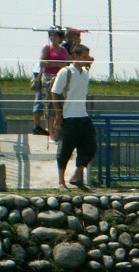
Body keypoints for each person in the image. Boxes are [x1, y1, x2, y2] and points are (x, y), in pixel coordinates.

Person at [52, 45, 97, 190]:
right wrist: (59, 114)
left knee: (91, 146)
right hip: (69, 116)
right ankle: (61, 181)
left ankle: (76, 175)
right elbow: (55, 92)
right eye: (84, 57)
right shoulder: (66, 72)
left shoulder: (85, 73)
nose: (86, 59)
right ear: (75, 56)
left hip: (83, 115)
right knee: (65, 149)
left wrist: (89, 61)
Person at [31, 28, 69, 137]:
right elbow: (42, 62)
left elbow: (69, 61)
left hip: (61, 78)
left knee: (60, 104)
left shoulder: (63, 49)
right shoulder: (47, 48)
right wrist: (58, 64)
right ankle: (51, 133)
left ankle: (58, 131)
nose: (53, 37)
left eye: (55, 35)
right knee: (49, 104)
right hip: (48, 78)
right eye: (51, 35)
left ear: (60, 37)